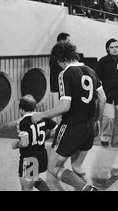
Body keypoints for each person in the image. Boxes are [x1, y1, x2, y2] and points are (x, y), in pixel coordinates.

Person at [32, 41, 106, 191]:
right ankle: (85, 187)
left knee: (53, 167)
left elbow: (65, 106)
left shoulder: (65, 74)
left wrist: (41, 115)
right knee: (77, 165)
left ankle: (87, 189)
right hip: (89, 126)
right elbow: (102, 98)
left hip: (71, 127)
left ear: (60, 59)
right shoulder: (90, 70)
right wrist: (96, 119)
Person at [12, 95, 57, 191]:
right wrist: (44, 137)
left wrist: (16, 145)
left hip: (30, 157)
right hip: (42, 155)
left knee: (26, 187)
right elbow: (56, 130)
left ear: (21, 109)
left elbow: (24, 143)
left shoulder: (22, 121)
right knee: (34, 179)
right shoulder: (42, 116)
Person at [96, 39, 118, 148]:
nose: (115, 49)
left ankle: (117, 142)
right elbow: (97, 78)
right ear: (107, 49)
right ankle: (105, 138)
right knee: (109, 117)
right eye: (112, 47)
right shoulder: (102, 62)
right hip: (107, 95)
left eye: (116, 47)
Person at [49, 33, 71, 111]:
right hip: (57, 85)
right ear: (62, 41)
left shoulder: (63, 53)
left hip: (62, 84)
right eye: (68, 40)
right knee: (57, 108)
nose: (70, 43)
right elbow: (61, 69)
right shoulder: (55, 54)